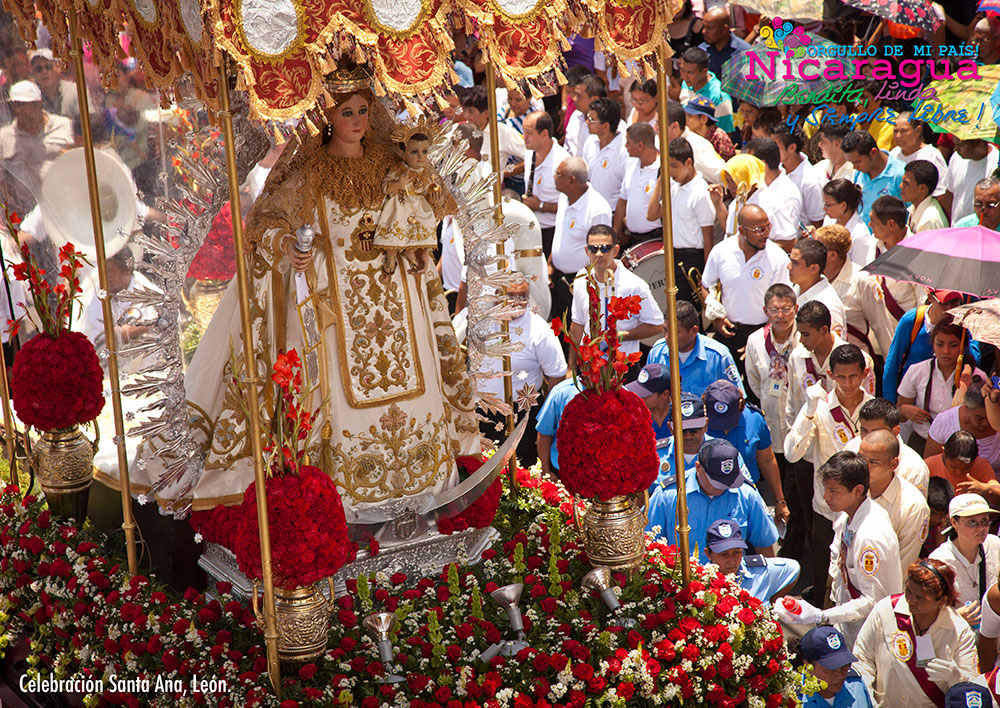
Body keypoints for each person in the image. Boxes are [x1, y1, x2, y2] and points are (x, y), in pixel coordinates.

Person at [165, 69, 481, 512]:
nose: (358, 121)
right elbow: (268, 224)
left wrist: (416, 235)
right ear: (327, 117)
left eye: (364, 111)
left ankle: (424, 491)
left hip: (399, 313)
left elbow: (427, 208)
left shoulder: (394, 163)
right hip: (338, 318)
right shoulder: (309, 172)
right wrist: (290, 247)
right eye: (347, 112)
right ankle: (341, 504)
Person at [774, 451, 902, 648]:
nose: (826, 497)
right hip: (847, 621)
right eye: (826, 489)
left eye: (834, 491)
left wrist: (822, 615)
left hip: (870, 635)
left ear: (858, 490)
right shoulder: (845, 517)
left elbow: (872, 601)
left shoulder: (870, 536)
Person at [853, 560, 979, 708]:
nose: (910, 600)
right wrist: (867, 698)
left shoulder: (960, 631)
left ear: (941, 600)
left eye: (920, 598)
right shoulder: (885, 610)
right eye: (908, 591)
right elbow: (862, 658)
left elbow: (972, 690)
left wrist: (956, 677)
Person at [472, 278, 566, 467]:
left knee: (521, 469)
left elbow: (557, 374)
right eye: (510, 296)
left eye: (522, 296)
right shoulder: (480, 322)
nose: (516, 302)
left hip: (522, 413)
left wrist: (546, 416)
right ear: (498, 297)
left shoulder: (540, 331)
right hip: (483, 411)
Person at [647, 438, 779, 563]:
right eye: (716, 481)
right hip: (682, 581)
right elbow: (648, 544)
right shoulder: (668, 496)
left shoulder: (746, 495)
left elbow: (764, 546)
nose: (723, 487)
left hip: (733, 580)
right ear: (698, 467)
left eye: (728, 481)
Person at [701, 204, 791, 379]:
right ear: (741, 230)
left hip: (765, 335)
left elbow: (784, 303)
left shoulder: (777, 257)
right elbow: (706, 285)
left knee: (760, 394)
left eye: (767, 227)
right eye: (759, 229)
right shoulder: (721, 251)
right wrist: (716, 317)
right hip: (728, 331)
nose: (765, 233)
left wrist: (760, 339)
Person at [567, 225, 663, 373]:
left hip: (622, 367)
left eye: (605, 248)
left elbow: (656, 325)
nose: (599, 254)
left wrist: (622, 336)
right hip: (590, 366)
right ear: (587, 251)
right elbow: (578, 324)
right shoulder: (582, 279)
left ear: (616, 250)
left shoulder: (634, 285)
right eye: (594, 249)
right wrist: (571, 367)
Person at [785, 302, 876, 434]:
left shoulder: (859, 360)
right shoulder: (797, 357)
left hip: (845, 438)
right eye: (800, 334)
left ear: (823, 330)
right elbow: (792, 403)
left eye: (806, 335)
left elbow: (867, 404)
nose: (801, 340)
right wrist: (794, 436)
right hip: (809, 441)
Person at [704, 380, 787, 521]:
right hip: (709, 498)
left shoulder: (755, 419)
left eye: (728, 420)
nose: (724, 427)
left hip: (747, 495)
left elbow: (767, 460)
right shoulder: (698, 425)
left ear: (740, 407)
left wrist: (780, 501)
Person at [897, 322, 986, 454]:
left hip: (962, 447)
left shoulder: (978, 377)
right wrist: (905, 410)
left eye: (953, 345)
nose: (946, 351)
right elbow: (899, 413)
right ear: (932, 345)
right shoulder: (917, 371)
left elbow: (985, 420)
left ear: (963, 347)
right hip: (922, 441)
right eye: (940, 344)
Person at [645, 138, 713, 304]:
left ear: (688, 163)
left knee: (686, 311)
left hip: (693, 257)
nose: (671, 171)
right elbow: (652, 214)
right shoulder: (673, 187)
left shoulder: (700, 192)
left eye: (674, 166)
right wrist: (661, 180)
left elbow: (708, 236)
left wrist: (707, 275)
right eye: (667, 166)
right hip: (673, 254)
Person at [884, 289, 977, 404]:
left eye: (955, 302)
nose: (950, 308)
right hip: (913, 401)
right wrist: (890, 406)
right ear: (930, 297)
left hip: (952, 401)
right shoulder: (912, 320)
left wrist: (963, 340)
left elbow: (975, 361)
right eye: (944, 303)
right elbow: (892, 364)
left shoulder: (966, 323)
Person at [861, 196, 927, 359]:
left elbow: (923, 304)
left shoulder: (918, 254)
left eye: (873, 221)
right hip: (874, 344)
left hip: (904, 344)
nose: (870, 225)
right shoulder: (872, 246)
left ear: (890, 224)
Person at [0, 80, 74, 217]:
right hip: (26, 214)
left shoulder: (64, 126)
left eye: (23, 105)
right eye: (15, 105)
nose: (18, 110)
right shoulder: (4, 138)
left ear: (38, 103)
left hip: (65, 208)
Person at [551, 156, 612, 318]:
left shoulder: (597, 209)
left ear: (571, 181)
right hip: (559, 281)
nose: (554, 178)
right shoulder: (564, 198)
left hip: (583, 284)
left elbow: (602, 252)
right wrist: (551, 263)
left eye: (558, 175)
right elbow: (561, 235)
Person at [862, 430, 930, 575]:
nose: (863, 466)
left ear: (893, 464)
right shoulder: (853, 488)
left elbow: (903, 564)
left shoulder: (913, 506)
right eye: (861, 459)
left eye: (873, 462)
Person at [930, 493, 1000, 632]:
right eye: (972, 522)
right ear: (954, 523)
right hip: (958, 637)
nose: (981, 528)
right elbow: (928, 612)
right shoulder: (940, 560)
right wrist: (955, 617)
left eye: (985, 520)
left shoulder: (995, 544)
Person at [646, 300, 744, 397]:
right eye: (665, 330)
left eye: (674, 332)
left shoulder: (719, 356)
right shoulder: (657, 353)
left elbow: (736, 399)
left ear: (693, 331)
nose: (667, 337)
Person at [746, 283, 799, 456]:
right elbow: (754, 381)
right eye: (774, 310)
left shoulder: (804, 338)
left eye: (786, 309)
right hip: (773, 422)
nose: (780, 316)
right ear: (765, 311)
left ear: (796, 308)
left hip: (800, 424)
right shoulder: (755, 341)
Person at [844, 398, 930, 495]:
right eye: (864, 430)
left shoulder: (914, 469)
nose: (868, 437)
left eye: (875, 431)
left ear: (895, 431)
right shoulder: (852, 447)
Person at [704, 518, 799, 604]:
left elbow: (794, 568)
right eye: (724, 554)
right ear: (708, 554)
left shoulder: (759, 571)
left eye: (737, 552)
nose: (732, 560)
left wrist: (773, 601)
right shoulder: (699, 581)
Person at [814, 225, 874, 358]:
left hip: (854, 363)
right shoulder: (813, 276)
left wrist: (890, 372)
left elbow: (881, 328)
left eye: (817, 248)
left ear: (832, 255)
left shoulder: (861, 280)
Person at [522, 111, 570, 257]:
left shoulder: (563, 162)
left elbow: (571, 205)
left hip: (553, 231)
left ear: (544, 134)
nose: (524, 137)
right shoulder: (530, 153)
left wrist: (541, 206)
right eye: (524, 132)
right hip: (532, 229)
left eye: (529, 133)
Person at [743, 137, 804, 251]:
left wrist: (752, 248)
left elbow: (788, 241)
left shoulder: (788, 195)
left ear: (761, 164)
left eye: (749, 162)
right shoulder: (755, 188)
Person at [459, 85, 525, 183]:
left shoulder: (502, 132)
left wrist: (505, 173)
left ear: (486, 113)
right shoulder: (461, 129)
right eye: (464, 110)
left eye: (471, 112)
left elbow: (532, 155)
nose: (466, 116)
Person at [797, 626, 875, 708]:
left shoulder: (856, 685)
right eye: (831, 669)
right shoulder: (794, 699)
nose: (840, 675)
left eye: (844, 666)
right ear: (808, 667)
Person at [927, 389, 1000, 475]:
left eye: (990, 417)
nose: (986, 423)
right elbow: (930, 466)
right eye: (979, 418)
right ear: (966, 408)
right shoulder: (944, 421)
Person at [788, 238, 847, 341]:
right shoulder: (797, 288)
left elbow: (831, 348)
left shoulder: (829, 305)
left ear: (813, 269)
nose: (788, 267)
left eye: (795, 263)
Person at [842, 130, 904, 227]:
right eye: (852, 163)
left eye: (857, 162)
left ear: (873, 153)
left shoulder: (900, 174)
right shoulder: (859, 172)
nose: (854, 167)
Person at [614, 122, 661, 246]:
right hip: (632, 239)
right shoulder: (630, 165)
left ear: (640, 145)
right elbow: (622, 202)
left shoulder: (663, 170)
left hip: (656, 239)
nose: (625, 146)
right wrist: (615, 234)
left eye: (628, 143)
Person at [772, 123, 824, 228]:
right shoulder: (776, 169)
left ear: (792, 148)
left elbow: (817, 223)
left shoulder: (810, 181)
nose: (772, 151)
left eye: (776, 147)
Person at [664, 100, 725, 185]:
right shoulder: (659, 143)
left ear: (674, 126)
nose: (655, 128)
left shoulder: (698, 147)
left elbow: (722, 176)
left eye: (658, 124)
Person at [581, 97, 629, 207]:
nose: (587, 123)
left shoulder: (624, 149)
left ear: (605, 126)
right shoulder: (590, 142)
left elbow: (626, 190)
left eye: (592, 120)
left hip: (613, 212)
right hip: (592, 210)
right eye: (587, 118)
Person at [535, 374, 583, 481]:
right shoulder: (562, 391)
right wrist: (546, 470)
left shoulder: (622, 394)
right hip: (563, 474)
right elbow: (544, 432)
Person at [888, 113, 948, 196]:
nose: (898, 136)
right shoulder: (894, 154)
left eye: (903, 131)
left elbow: (940, 192)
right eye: (895, 131)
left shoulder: (931, 155)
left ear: (918, 130)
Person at [941, 140, 999, 225]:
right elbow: (949, 195)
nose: (955, 149)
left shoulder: (996, 164)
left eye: (960, 145)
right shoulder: (956, 158)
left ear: (977, 142)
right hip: (959, 229)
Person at [820, 179, 876, 267]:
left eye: (828, 205)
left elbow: (860, 269)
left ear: (843, 205)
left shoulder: (859, 234)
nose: (824, 208)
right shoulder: (828, 220)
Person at [677, 47, 734, 134]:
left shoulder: (720, 97)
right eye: (682, 70)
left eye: (690, 73)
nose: (684, 77)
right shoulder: (686, 83)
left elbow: (725, 137)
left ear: (704, 72)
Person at [625, 363, 673, 442]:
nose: (639, 397)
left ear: (665, 394)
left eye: (645, 394)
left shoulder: (680, 417)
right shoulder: (632, 418)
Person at [28, 49, 79, 120]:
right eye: (39, 69)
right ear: (33, 74)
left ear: (58, 68)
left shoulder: (76, 91)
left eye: (48, 67)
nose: (44, 72)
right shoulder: (33, 97)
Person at [564, 74, 606, 157]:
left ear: (594, 99)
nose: (574, 99)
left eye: (579, 96)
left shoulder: (608, 125)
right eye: (574, 94)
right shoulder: (575, 116)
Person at [901, 160, 948, 234]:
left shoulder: (930, 220)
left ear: (922, 188)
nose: (900, 186)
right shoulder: (914, 209)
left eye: (906, 183)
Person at [683, 95, 735, 161]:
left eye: (690, 116)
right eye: (686, 115)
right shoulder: (689, 135)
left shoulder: (719, 138)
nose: (686, 119)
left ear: (704, 119)